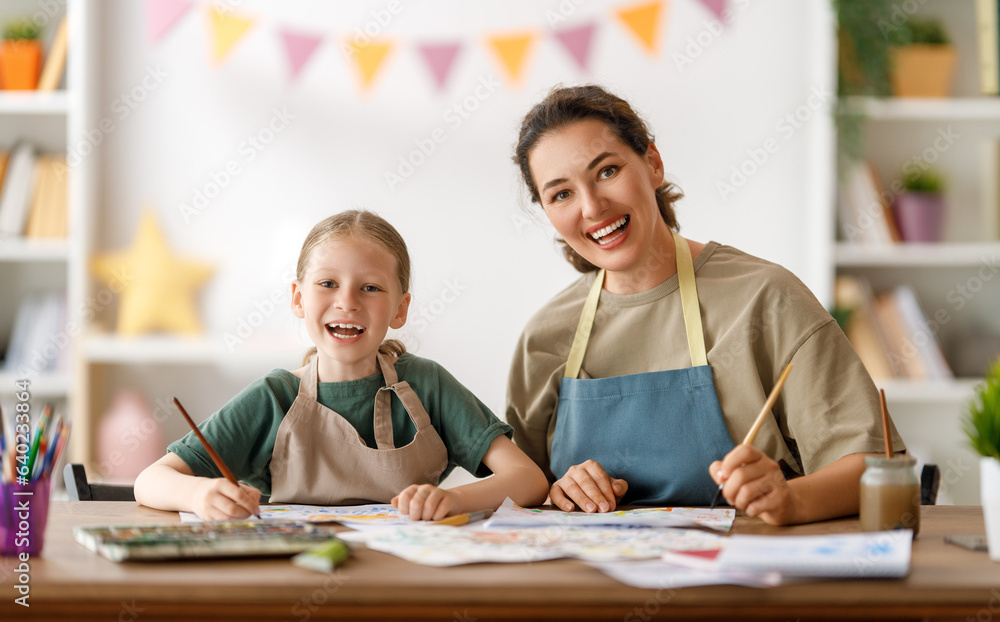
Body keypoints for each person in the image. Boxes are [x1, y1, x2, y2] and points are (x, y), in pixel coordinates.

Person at [506, 85, 905, 526]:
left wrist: (791, 499)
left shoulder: (766, 298)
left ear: (653, 164)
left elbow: (875, 467)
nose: (592, 206)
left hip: (750, 583)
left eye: (607, 171)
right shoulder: (544, 338)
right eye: (561, 194)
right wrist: (559, 492)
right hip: (599, 589)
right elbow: (519, 491)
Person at [136, 210, 548, 521]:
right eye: (327, 283)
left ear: (400, 308)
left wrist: (455, 499)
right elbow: (149, 481)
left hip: (404, 587)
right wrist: (199, 496)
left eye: (370, 287)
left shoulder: (427, 385)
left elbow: (528, 480)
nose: (347, 301)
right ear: (298, 299)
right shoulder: (273, 399)